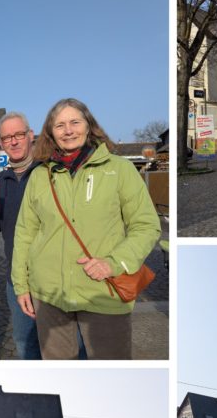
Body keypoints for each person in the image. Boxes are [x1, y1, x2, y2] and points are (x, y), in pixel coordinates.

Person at [12, 97, 161, 359]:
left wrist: (114, 262)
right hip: (49, 294)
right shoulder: (39, 175)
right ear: (51, 133)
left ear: (89, 125)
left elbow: (146, 225)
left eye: (74, 122)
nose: (68, 130)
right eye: (59, 125)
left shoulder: (120, 170)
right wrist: (21, 286)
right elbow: (25, 233)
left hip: (102, 291)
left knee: (111, 372)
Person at [0, 112, 41, 359]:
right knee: (25, 344)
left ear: (30, 135)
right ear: (1, 144)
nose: (13, 142)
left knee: (61, 347)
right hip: (17, 277)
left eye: (18, 135)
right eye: (6, 138)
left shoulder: (47, 173)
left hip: (52, 277)